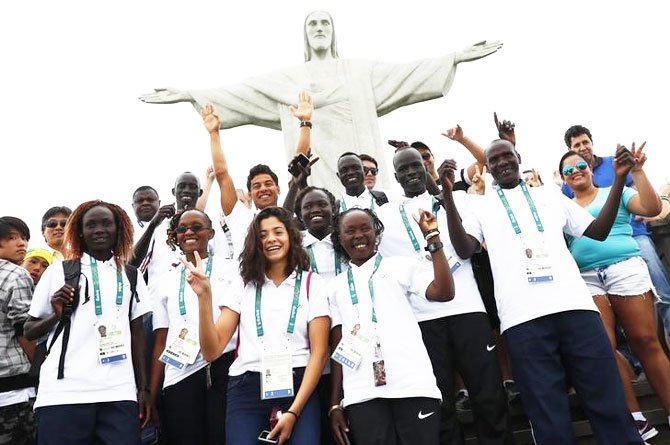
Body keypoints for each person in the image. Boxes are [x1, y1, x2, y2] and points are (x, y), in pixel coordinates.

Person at [140, 10, 502, 191]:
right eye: (312, 24)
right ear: (304, 34)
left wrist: (453, 57)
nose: (318, 29)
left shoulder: (359, 71)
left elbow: (406, 73)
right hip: (315, 175)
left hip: (363, 161)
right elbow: (243, 93)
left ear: (333, 33)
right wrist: (190, 94)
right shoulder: (287, 80)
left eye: (324, 24)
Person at [441, 139, 645, 444]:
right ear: (489, 166)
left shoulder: (549, 194)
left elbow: (599, 230)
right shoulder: (480, 206)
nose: (501, 163)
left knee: (607, 399)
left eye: (506, 156)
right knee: (548, 414)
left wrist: (617, 180)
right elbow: (464, 248)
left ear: (518, 157)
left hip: (576, 308)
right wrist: (447, 194)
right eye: (493, 160)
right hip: (522, 320)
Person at [376, 148, 512, 444]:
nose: (412, 172)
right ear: (396, 177)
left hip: (468, 310)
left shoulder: (456, 199)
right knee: (441, 401)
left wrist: (446, 195)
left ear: (428, 169)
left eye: (417, 165)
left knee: (488, 393)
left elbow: (467, 249)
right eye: (404, 168)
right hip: (422, 318)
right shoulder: (385, 214)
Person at [186, 207, 330, 444]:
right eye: (262, 235)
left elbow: (319, 352)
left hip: (299, 385)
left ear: (291, 237)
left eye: (278, 232)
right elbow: (212, 351)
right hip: (246, 387)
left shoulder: (311, 283)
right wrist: (204, 297)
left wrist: (294, 412)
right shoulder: (242, 284)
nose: (271, 239)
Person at [560, 147, 670, 437]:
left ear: (591, 167)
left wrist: (637, 171)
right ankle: (635, 419)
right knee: (602, 348)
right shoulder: (561, 207)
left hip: (625, 267)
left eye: (580, 165)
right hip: (585, 278)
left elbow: (652, 208)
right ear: (563, 179)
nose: (575, 172)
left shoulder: (615, 191)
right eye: (568, 171)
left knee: (645, 340)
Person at [24, 200, 152, 444]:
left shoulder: (131, 275)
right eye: (91, 224)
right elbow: (29, 331)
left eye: (106, 223)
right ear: (80, 231)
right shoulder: (58, 271)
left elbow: (138, 336)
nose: (99, 229)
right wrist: (56, 315)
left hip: (118, 391)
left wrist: (143, 389)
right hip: (63, 393)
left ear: (119, 229)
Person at [328, 207, 454, 445]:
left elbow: (444, 292)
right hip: (362, 393)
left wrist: (433, 239)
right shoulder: (334, 287)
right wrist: (336, 402)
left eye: (365, 228)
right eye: (350, 231)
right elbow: (338, 349)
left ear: (377, 233)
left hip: (412, 385)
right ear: (339, 237)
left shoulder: (400, 266)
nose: (359, 235)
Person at [562, 125, 670, 351]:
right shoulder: (565, 197)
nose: (582, 149)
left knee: (661, 291)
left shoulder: (616, 163)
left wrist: (638, 171)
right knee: (605, 341)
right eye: (576, 145)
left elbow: (648, 205)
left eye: (585, 142)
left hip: (631, 239)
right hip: (588, 271)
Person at [149, 208, 237, 444]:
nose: (189, 232)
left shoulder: (233, 270)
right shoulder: (166, 279)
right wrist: (152, 392)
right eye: (182, 229)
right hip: (180, 372)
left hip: (224, 367)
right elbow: (161, 337)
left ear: (211, 232)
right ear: (175, 236)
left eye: (196, 227)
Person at [201, 104, 283, 260]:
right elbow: (223, 175)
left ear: (278, 189)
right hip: (248, 283)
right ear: (250, 194)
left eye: (268, 184)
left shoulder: (290, 217)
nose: (263, 189)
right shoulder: (240, 217)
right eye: (256, 186)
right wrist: (214, 134)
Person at [0, 216, 36, 445]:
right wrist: (40, 370)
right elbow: (25, 330)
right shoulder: (16, 274)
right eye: (12, 238)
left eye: (24, 238)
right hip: (15, 391)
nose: (21, 243)